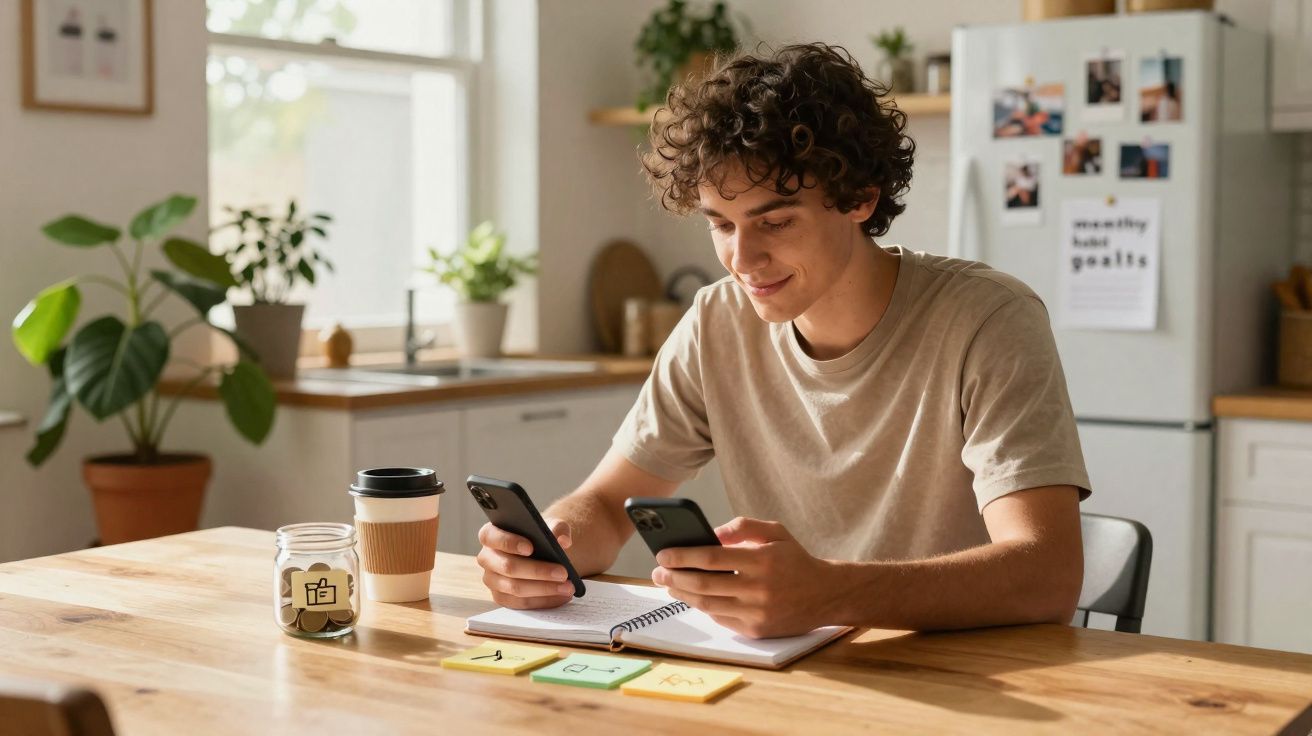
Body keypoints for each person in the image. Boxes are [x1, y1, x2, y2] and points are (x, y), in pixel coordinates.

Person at [476, 43, 1091, 639]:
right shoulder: (716, 324)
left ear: (859, 198)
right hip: (788, 675)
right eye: (721, 224)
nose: (741, 259)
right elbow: (608, 506)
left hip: (968, 680)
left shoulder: (989, 319)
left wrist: (828, 594)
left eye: (774, 221)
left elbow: (1046, 575)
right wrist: (550, 545)